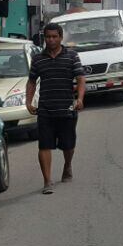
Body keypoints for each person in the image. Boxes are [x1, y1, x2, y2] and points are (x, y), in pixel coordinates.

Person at [26, 22, 85, 194]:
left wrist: (80, 99)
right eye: (48, 37)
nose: (51, 40)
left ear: (60, 37)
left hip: (67, 109)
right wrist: (28, 102)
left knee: (68, 145)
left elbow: (80, 78)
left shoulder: (72, 56)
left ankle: (67, 166)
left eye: (54, 37)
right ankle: (47, 181)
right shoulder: (38, 59)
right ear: (44, 38)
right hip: (45, 110)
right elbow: (31, 82)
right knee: (44, 146)